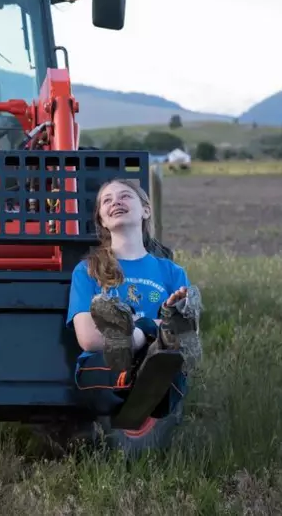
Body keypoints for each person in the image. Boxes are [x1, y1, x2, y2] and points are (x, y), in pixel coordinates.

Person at [66, 177, 202, 420]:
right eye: (107, 200)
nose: (115, 202)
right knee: (116, 358)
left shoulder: (171, 272)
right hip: (106, 373)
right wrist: (150, 328)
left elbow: (189, 337)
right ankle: (139, 344)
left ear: (146, 210)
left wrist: (161, 323)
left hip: (158, 367)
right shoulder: (88, 271)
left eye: (125, 196)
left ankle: (143, 334)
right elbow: (88, 339)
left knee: (169, 348)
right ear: (102, 220)